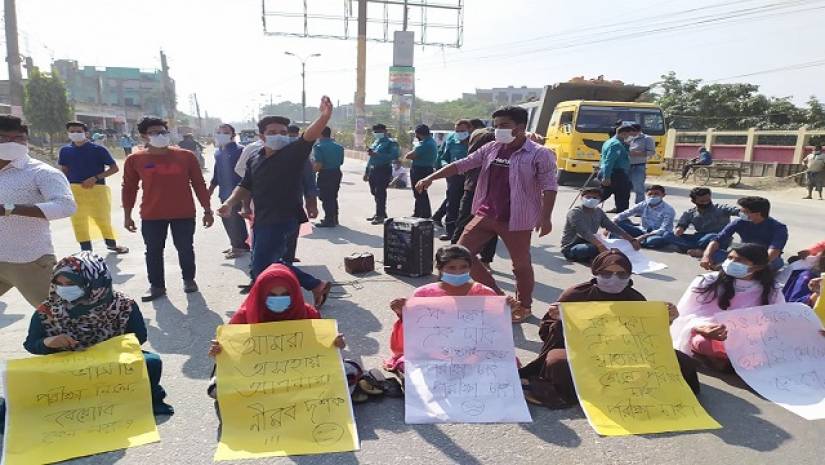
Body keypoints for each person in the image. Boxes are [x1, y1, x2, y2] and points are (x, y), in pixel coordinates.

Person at [416, 106, 558, 323]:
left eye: (504, 126)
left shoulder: (540, 153)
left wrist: (546, 217)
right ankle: (498, 298)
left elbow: (549, 186)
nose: (498, 130)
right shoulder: (492, 147)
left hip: (516, 218)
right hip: (486, 213)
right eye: (496, 126)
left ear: (520, 127)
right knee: (462, 254)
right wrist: (431, 178)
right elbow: (461, 164)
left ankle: (524, 305)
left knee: (520, 265)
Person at [519, 250, 698, 408]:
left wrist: (666, 319)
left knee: (682, 362)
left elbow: (647, 336)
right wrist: (556, 319)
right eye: (606, 273)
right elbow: (545, 333)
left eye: (622, 275)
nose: (614, 279)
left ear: (629, 275)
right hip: (581, 351)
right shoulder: (576, 294)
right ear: (596, 272)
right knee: (558, 363)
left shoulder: (634, 298)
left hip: (622, 353)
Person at [22, 253, 173, 415]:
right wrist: (49, 342)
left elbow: (138, 337)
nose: (64, 289)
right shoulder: (48, 310)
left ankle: (151, 400)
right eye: (59, 283)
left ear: (93, 282)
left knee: (151, 362)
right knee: (24, 380)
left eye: (71, 283)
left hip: (111, 363)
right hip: (68, 366)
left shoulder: (122, 305)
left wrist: (106, 349)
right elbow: (31, 344)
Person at [216, 97, 333, 306]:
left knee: (266, 263)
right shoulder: (255, 158)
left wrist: (323, 117)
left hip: (283, 218)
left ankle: (313, 285)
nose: (278, 136)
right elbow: (245, 185)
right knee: (259, 263)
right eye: (272, 132)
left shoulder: (292, 153)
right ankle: (265, 291)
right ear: (261, 136)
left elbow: (308, 136)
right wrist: (230, 203)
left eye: (283, 132)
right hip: (261, 218)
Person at [206, 264, 346, 400]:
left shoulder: (308, 313)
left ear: (295, 293)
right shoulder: (245, 316)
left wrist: (335, 345)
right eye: (272, 295)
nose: (279, 299)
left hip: (298, 374)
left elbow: (320, 351)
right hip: (257, 376)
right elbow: (231, 351)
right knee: (218, 388)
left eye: (285, 294)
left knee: (346, 373)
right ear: (260, 295)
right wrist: (218, 351)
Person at [384, 245, 519, 373]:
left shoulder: (484, 293)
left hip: (475, 352)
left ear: (470, 267)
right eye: (452, 268)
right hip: (434, 352)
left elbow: (494, 326)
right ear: (440, 268)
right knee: (406, 365)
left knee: (508, 362)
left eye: (463, 267)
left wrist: (507, 311)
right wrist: (401, 312)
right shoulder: (424, 294)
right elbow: (414, 326)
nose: (458, 272)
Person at [122, 116, 214, 302]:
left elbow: (198, 183)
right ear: (144, 136)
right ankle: (157, 286)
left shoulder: (185, 156)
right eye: (154, 132)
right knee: (153, 251)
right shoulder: (135, 159)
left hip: (183, 213)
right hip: (152, 214)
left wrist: (207, 209)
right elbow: (129, 188)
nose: (160, 135)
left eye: (163, 131)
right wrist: (127, 215)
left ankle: (189, 280)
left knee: (185, 248)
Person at [671, 243, 787, 371]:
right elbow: (684, 314)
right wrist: (702, 328)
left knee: (767, 352)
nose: (731, 262)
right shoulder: (707, 281)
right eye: (730, 258)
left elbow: (778, 321)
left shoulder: (772, 289)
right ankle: (721, 361)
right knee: (702, 342)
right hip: (710, 335)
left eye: (739, 260)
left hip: (748, 341)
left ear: (758, 267)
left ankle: (722, 361)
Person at [0, 115, 76, 307]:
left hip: (29, 261)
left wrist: (10, 208)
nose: (12, 143)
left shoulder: (41, 172)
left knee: (59, 317)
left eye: (18, 138)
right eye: (4, 138)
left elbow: (66, 206)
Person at [58, 121, 129, 254]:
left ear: (86, 133)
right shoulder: (65, 151)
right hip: (75, 190)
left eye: (78, 131)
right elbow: (64, 169)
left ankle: (111, 244)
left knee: (102, 218)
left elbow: (114, 168)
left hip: (97, 189)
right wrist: (64, 186)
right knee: (79, 221)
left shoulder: (98, 150)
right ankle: (86, 250)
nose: (75, 134)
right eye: (72, 131)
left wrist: (95, 178)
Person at [701, 196, 787, 271]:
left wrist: (753, 268)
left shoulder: (778, 228)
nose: (741, 214)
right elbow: (717, 240)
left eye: (745, 212)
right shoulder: (739, 222)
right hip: (741, 256)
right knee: (714, 254)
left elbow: (773, 252)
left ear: (757, 214)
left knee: (776, 263)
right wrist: (706, 256)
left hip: (762, 259)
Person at [452, 127, 498, 269]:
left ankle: (453, 258)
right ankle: (454, 259)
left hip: (480, 190)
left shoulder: (486, 139)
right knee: (483, 226)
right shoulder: (486, 140)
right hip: (479, 188)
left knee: (466, 224)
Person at [560, 187, 639, 262]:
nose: (591, 200)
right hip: (572, 246)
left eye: (595, 198)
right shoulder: (575, 212)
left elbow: (611, 226)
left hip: (591, 242)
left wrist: (631, 240)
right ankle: (590, 257)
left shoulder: (598, 211)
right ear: (582, 198)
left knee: (620, 241)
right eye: (588, 197)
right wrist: (600, 245)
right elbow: (584, 232)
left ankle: (595, 256)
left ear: (600, 200)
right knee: (593, 249)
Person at [209, 124, 248, 259]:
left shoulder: (240, 151)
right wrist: (210, 190)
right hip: (224, 192)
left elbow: (246, 173)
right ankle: (239, 244)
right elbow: (216, 173)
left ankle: (238, 247)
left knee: (234, 220)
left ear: (232, 135)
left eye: (225, 133)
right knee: (230, 220)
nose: (222, 135)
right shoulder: (219, 151)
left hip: (237, 191)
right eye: (219, 132)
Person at [667, 187, 739, 257]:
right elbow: (682, 224)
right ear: (693, 201)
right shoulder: (690, 213)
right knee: (668, 235)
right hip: (699, 238)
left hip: (718, 238)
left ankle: (701, 251)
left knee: (711, 237)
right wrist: (680, 229)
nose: (706, 203)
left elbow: (736, 210)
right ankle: (705, 251)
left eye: (708, 200)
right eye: (702, 201)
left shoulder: (721, 208)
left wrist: (743, 212)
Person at [436, 120, 472, 241]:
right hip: (454, 177)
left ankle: (465, 233)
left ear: (469, 129)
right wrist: (447, 166)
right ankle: (450, 232)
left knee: (467, 207)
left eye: (462, 131)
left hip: (470, 178)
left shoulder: (475, 141)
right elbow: (443, 157)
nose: (459, 133)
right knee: (452, 204)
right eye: (457, 131)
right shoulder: (451, 140)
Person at [612, 184, 675, 249]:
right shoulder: (643, 204)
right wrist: (614, 220)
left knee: (654, 241)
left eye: (656, 194)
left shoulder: (668, 210)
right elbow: (627, 213)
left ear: (663, 195)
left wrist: (643, 237)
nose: (653, 196)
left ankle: (631, 240)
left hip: (657, 234)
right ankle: (635, 241)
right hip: (642, 231)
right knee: (617, 224)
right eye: (650, 194)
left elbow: (663, 229)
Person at [364, 123, 399, 225]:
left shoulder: (391, 143)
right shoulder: (376, 142)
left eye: (379, 132)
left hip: (384, 169)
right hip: (373, 170)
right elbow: (371, 158)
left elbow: (394, 156)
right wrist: (367, 171)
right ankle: (381, 212)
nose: (377, 134)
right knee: (374, 191)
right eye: (375, 132)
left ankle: (380, 215)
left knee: (380, 192)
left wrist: (377, 154)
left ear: (384, 131)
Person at [599, 123, 636, 213]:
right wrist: (606, 176)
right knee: (623, 196)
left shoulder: (617, 143)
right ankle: (623, 219)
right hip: (615, 173)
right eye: (629, 135)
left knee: (607, 194)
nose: (630, 137)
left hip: (616, 172)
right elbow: (609, 161)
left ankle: (621, 218)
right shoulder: (615, 144)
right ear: (623, 133)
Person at [313, 126, 344, 227]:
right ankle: (334, 218)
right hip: (336, 172)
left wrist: (311, 173)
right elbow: (341, 162)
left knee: (325, 197)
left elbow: (319, 164)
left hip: (325, 174)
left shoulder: (318, 147)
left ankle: (329, 220)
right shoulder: (339, 147)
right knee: (333, 196)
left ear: (320, 134)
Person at [405, 124, 438, 218]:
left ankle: (425, 215)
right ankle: (418, 213)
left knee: (420, 193)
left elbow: (409, 156)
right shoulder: (431, 142)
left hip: (420, 170)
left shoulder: (425, 144)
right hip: (425, 169)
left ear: (418, 134)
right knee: (419, 193)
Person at [628, 123, 656, 205]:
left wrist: (636, 153)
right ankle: (622, 207)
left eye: (631, 131)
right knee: (624, 188)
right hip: (626, 165)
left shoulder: (647, 139)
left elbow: (651, 152)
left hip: (638, 166)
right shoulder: (629, 139)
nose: (630, 133)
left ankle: (639, 208)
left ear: (637, 131)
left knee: (638, 188)